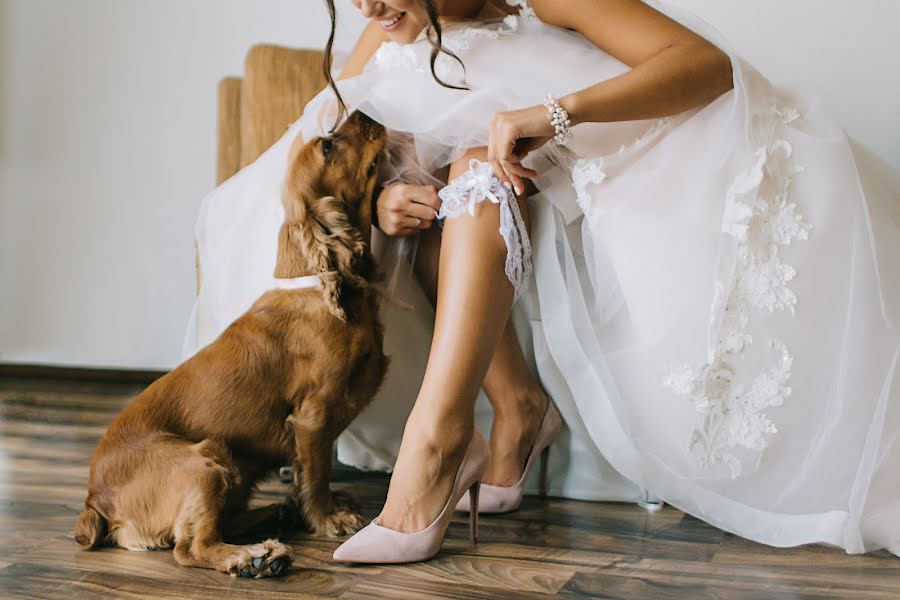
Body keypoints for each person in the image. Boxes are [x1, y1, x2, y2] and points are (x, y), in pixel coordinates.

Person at [183, 0, 900, 562]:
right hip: (500, 202)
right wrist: (377, 201)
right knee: (464, 173)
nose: (366, 10)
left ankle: (437, 444)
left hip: (627, 168)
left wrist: (553, 114)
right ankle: (514, 408)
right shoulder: (388, 28)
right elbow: (327, 142)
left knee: (477, 164)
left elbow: (707, 67)